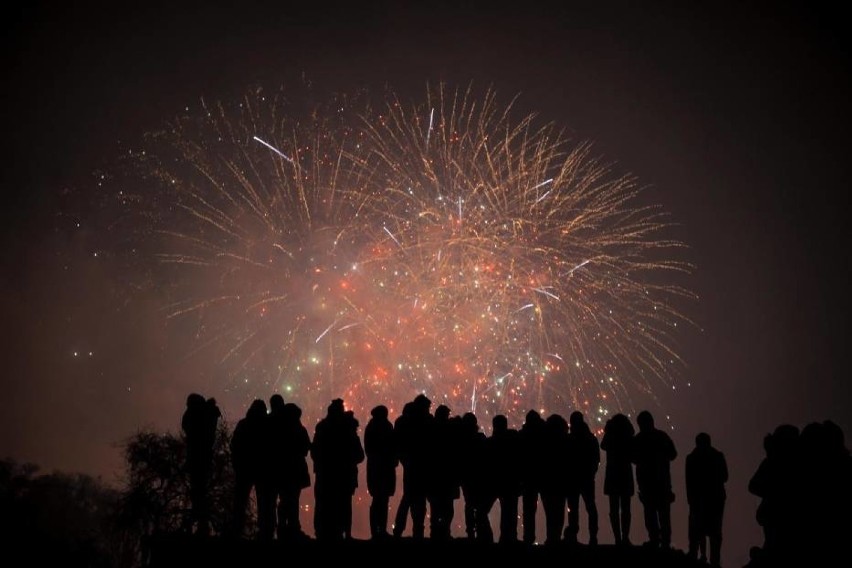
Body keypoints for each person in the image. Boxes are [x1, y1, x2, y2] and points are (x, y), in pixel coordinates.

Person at [631, 410, 677, 549]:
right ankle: (665, 542)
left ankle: (654, 540)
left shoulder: (638, 439)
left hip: (646, 483)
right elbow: (673, 454)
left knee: (650, 514)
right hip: (662, 482)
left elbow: (633, 458)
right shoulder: (662, 436)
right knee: (663, 515)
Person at [685, 432, 728, 567]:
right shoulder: (718, 456)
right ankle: (715, 561)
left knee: (696, 531)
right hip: (716, 500)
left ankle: (695, 556)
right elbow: (725, 477)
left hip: (697, 501)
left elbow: (689, 482)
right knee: (715, 532)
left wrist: (691, 500)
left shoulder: (691, 458)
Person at [181, 393, 220, 536]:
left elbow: (188, 427)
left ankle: (200, 524)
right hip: (204, 457)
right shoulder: (209, 413)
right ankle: (202, 524)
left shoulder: (199, 414)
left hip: (198, 457)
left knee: (198, 491)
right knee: (201, 491)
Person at [600, 413, 635, 546]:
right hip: (625, 474)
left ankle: (617, 538)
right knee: (626, 508)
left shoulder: (610, 435)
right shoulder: (628, 436)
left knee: (613, 509)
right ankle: (625, 537)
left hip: (612, 474)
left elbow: (603, 446)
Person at [365, 405, 397, 539]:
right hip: (384, 468)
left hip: (376, 467)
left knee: (379, 500)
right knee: (382, 500)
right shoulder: (386, 426)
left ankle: (377, 531)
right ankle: (380, 530)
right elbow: (392, 445)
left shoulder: (371, 427)